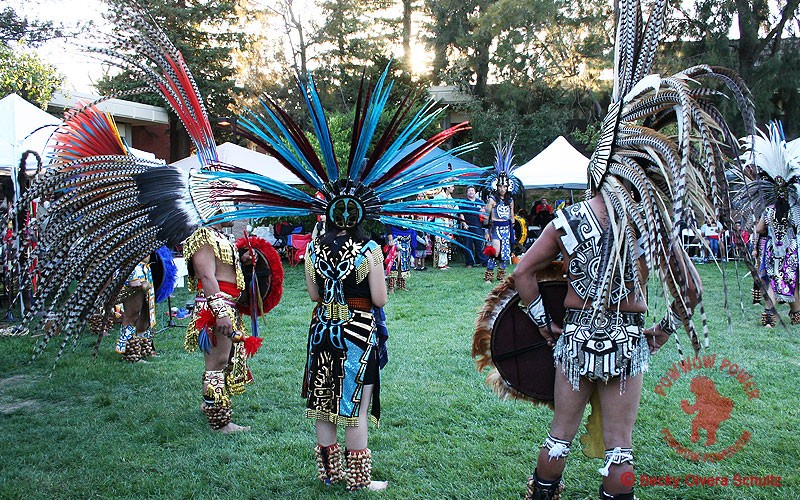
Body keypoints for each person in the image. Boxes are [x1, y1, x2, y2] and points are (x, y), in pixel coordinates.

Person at [510, 0, 751, 497]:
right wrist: (659, 333)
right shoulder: (647, 222)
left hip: (576, 340)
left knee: (561, 436)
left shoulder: (569, 220)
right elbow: (692, 287)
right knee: (620, 446)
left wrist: (544, 325)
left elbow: (523, 273)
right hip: (626, 340)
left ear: (598, 166)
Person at [304, 216, 389, 491]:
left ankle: (330, 475)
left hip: (322, 331)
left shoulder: (313, 248)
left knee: (323, 405)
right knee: (356, 409)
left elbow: (314, 295)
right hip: (357, 333)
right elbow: (379, 299)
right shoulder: (369, 249)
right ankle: (358, 481)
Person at [183, 221, 253, 433]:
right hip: (216, 305)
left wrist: (242, 260)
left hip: (226, 303)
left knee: (221, 361)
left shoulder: (218, 235)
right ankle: (220, 422)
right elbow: (206, 275)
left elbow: (221, 269)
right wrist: (220, 312)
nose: (232, 207)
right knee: (217, 362)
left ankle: (210, 404)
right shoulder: (203, 236)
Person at [738, 121, 800, 327]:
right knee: (791, 286)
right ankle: (796, 318)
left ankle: (769, 319)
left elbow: (760, 229)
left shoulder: (770, 211)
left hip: (774, 250)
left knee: (773, 284)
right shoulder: (793, 210)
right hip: (790, 250)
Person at [483, 137, 521, 283]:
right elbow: (486, 216)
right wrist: (486, 231)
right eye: (500, 186)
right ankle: (488, 276)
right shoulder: (492, 200)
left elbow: (512, 217)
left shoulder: (510, 200)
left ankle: (501, 277)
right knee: (495, 252)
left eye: (504, 187)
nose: (502, 189)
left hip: (506, 228)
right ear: (496, 186)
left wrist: (513, 231)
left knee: (505, 254)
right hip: (495, 228)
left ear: (508, 187)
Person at [114, 257, 158, 362]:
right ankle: (130, 354)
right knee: (132, 314)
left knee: (146, 313)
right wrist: (132, 277)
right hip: (132, 271)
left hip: (144, 271)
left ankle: (144, 349)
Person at [433, 185, 458, 270]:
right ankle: (441, 264)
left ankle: (445, 262)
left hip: (448, 223)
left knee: (446, 243)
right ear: (447, 187)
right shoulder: (438, 197)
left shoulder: (450, 198)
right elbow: (434, 209)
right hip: (440, 223)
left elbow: (456, 208)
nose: (453, 188)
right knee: (441, 242)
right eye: (452, 187)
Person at [461, 186, 487, 268]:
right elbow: (461, 214)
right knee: (468, 245)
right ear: (467, 193)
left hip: (478, 226)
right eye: (469, 191)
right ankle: (469, 263)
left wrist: (484, 211)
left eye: (472, 190)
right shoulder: (464, 202)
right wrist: (464, 224)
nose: (471, 192)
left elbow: (485, 212)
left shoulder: (480, 202)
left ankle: (483, 261)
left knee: (480, 244)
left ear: (475, 192)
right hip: (468, 227)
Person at [385, 221, 415, 291]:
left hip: (407, 239)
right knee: (394, 263)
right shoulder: (391, 213)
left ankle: (401, 285)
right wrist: (390, 240)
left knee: (403, 263)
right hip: (395, 238)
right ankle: (391, 287)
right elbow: (388, 223)